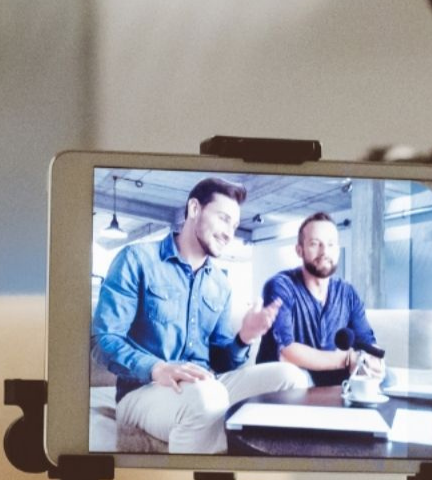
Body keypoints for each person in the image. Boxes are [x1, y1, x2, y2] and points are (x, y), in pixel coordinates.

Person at [92, 177, 311, 454]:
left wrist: (244, 338)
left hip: (206, 385)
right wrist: (156, 368)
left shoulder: (220, 284)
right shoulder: (137, 259)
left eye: (234, 225)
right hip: (144, 391)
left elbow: (221, 361)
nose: (229, 233)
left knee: (292, 378)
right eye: (223, 219)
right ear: (194, 209)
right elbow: (103, 340)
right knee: (208, 397)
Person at [257, 212, 383, 387]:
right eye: (315, 244)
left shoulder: (347, 293)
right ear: (299, 250)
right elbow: (286, 352)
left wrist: (371, 360)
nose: (324, 252)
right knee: (296, 378)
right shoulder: (281, 286)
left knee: (386, 377)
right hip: (287, 379)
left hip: (330, 377)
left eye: (331, 244)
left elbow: (367, 341)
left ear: (338, 249)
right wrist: (346, 359)